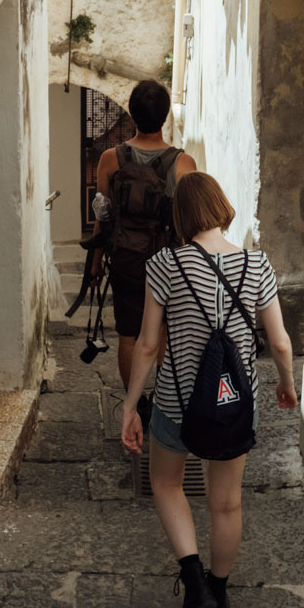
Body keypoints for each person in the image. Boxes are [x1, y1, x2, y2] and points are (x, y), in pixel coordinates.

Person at [120, 172, 298, 608]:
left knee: (166, 484)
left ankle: (193, 581)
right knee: (226, 504)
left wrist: (130, 405)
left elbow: (145, 344)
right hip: (233, 404)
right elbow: (279, 342)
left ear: (180, 216)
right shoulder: (257, 265)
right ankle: (217, 596)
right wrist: (287, 383)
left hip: (178, 401)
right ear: (220, 207)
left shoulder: (164, 264)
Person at [91, 80, 197, 398]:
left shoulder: (111, 159)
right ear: (164, 116)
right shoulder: (183, 163)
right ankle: (163, 402)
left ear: (132, 114)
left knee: (128, 335)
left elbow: (102, 215)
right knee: (162, 331)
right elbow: (191, 220)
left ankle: (134, 405)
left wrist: (95, 262)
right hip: (169, 263)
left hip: (126, 258)